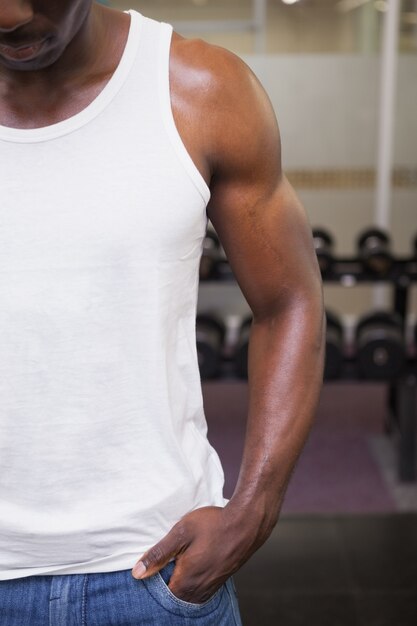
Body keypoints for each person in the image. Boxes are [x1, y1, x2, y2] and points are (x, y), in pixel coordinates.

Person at [0, 1, 325, 624]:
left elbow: (289, 301)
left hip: (150, 575)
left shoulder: (199, 90)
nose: (11, 14)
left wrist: (253, 510)